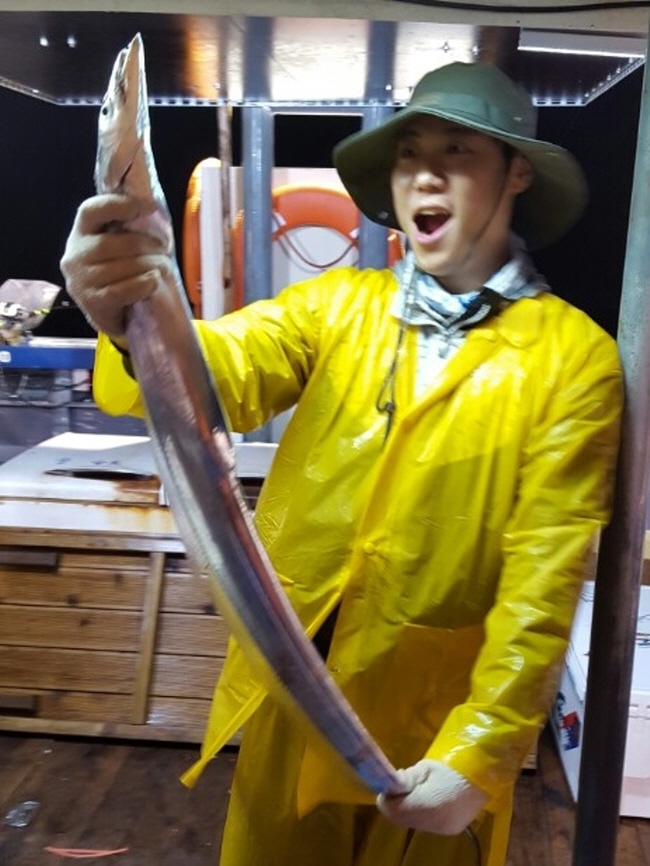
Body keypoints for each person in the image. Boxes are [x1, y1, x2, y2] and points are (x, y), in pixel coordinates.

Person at [60, 61, 623, 866]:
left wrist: (481, 752)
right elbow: (216, 370)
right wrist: (129, 320)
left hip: (434, 727)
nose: (424, 174)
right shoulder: (337, 309)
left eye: (457, 151)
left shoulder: (574, 359)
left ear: (517, 172)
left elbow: (546, 581)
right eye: (408, 154)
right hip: (293, 703)